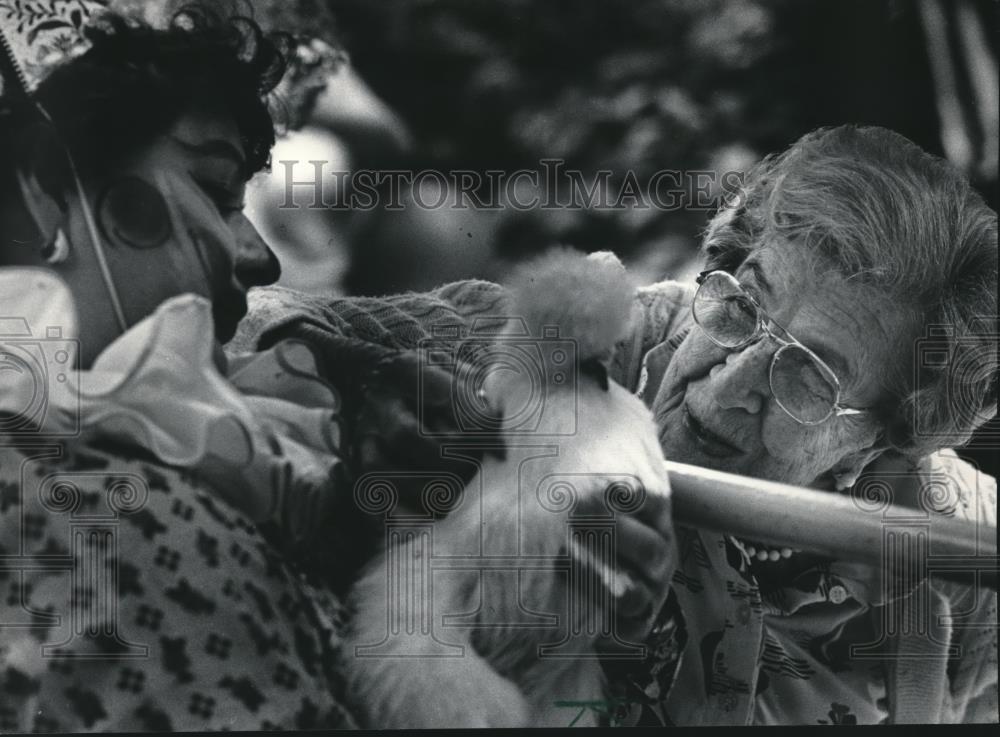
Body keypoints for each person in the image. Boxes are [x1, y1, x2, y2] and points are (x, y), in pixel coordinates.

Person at [0, 7, 671, 729]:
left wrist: (365, 505)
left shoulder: (212, 423)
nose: (259, 255)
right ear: (45, 182)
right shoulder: (107, 521)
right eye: (216, 188)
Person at [233, 124, 998, 725]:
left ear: (880, 437)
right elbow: (247, 327)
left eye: (808, 375)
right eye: (739, 305)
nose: (729, 383)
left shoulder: (945, 547)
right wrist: (357, 388)